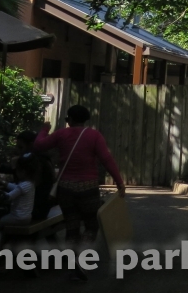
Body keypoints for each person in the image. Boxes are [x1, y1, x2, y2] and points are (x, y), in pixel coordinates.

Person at [34, 105, 125, 280]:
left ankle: (72, 263)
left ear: (70, 119)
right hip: (88, 187)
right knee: (91, 225)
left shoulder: (61, 134)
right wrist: (119, 182)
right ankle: (81, 262)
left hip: (65, 189)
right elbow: (106, 159)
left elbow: (39, 145)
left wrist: (45, 128)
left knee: (72, 226)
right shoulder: (94, 136)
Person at [0, 130, 55, 220]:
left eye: (21, 147)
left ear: (31, 145)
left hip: (35, 210)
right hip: (34, 208)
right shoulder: (35, 160)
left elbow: (18, 182)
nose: (18, 151)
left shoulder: (37, 162)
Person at [0, 159, 35, 228]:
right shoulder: (30, 183)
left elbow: (8, 197)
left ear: (23, 172)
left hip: (18, 218)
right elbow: (16, 187)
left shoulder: (23, 185)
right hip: (26, 217)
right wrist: (3, 182)